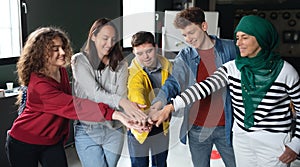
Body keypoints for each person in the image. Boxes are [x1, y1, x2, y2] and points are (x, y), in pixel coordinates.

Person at [152, 15, 300, 167]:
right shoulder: (232, 68)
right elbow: (203, 87)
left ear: (260, 38)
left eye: (244, 37)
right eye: (237, 37)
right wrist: (170, 106)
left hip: (272, 143)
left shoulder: (286, 72)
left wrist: (296, 143)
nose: (238, 43)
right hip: (241, 139)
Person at [5, 26, 139, 167]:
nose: (62, 52)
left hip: (52, 141)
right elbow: (75, 106)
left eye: (62, 47)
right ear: (41, 52)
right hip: (25, 141)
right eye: (55, 49)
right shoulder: (39, 85)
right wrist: (116, 114)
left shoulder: (60, 71)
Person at [150, 7, 237, 167]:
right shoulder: (186, 55)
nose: (188, 39)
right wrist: (160, 101)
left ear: (204, 26)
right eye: (184, 35)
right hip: (197, 128)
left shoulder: (230, 49)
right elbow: (173, 82)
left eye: (191, 32)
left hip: (226, 127)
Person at [71, 18, 149, 167]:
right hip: (88, 129)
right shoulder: (79, 61)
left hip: (114, 129)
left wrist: (135, 120)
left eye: (113, 39)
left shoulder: (121, 65)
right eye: (105, 38)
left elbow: (121, 97)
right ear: (93, 36)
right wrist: (122, 102)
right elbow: (94, 93)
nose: (109, 44)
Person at [127, 31, 172, 167]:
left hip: (160, 124)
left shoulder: (167, 66)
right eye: (139, 53)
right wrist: (143, 116)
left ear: (156, 47)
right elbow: (136, 90)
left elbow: (171, 90)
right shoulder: (132, 70)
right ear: (134, 53)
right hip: (140, 125)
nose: (145, 57)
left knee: (160, 164)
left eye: (149, 51)